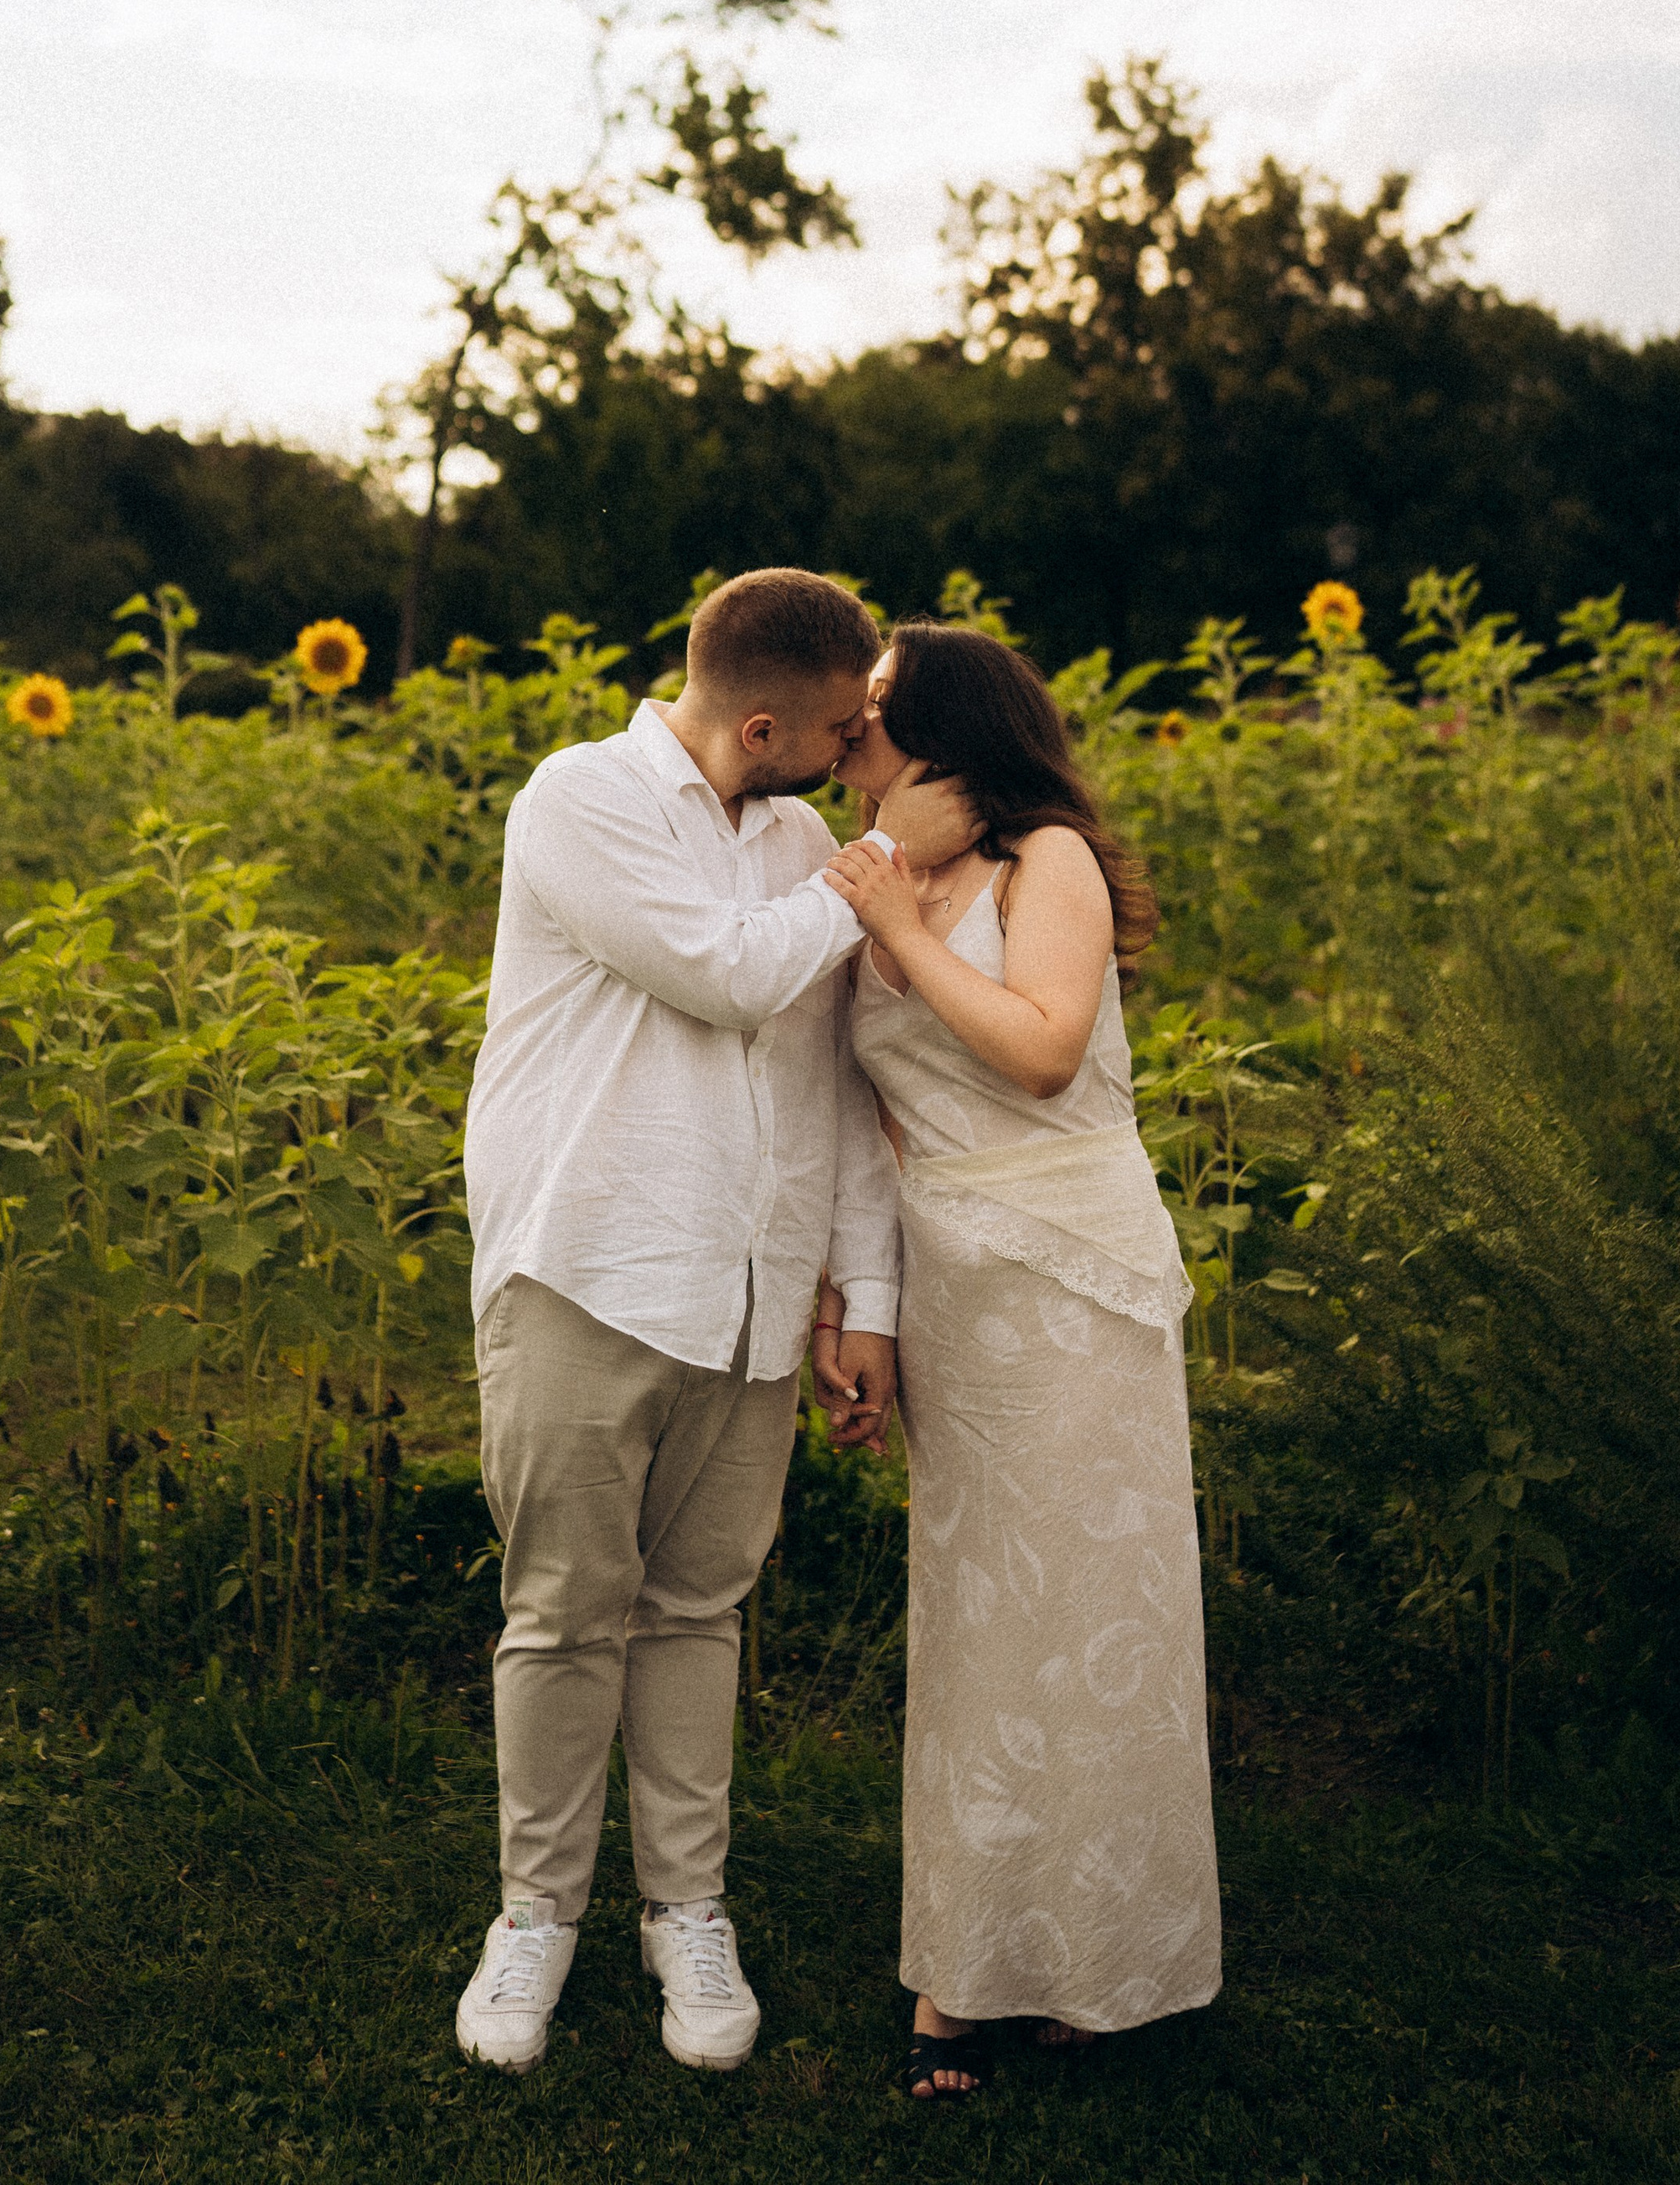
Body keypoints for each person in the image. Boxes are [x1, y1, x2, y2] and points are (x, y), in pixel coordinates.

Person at [453, 567, 971, 2079]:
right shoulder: (578, 800)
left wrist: (861, 1295)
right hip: (590, 1268)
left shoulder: (813, 843)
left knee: (697, 1614)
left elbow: (837, 1082)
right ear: (761, 720)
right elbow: (728, 978)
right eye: (838, 728)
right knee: (562, 1612)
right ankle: (534, 1915)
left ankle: (688, 1908)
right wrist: (885, 858)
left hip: (751, 1294)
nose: (857, 752)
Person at [825, 623, 1221, 2097]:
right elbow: (854, 1123)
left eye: (870, 708)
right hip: (955, 1295)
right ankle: (968, 1975)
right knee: (982, 1624)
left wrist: (905, 927)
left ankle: (1103, 1968)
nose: (844, 730)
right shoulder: (858, 871)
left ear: (943, 726)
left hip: (1075, 1274)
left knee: (1098, 1615)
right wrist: (851, 1309)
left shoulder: (1039, 859)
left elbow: (1047, 1049)